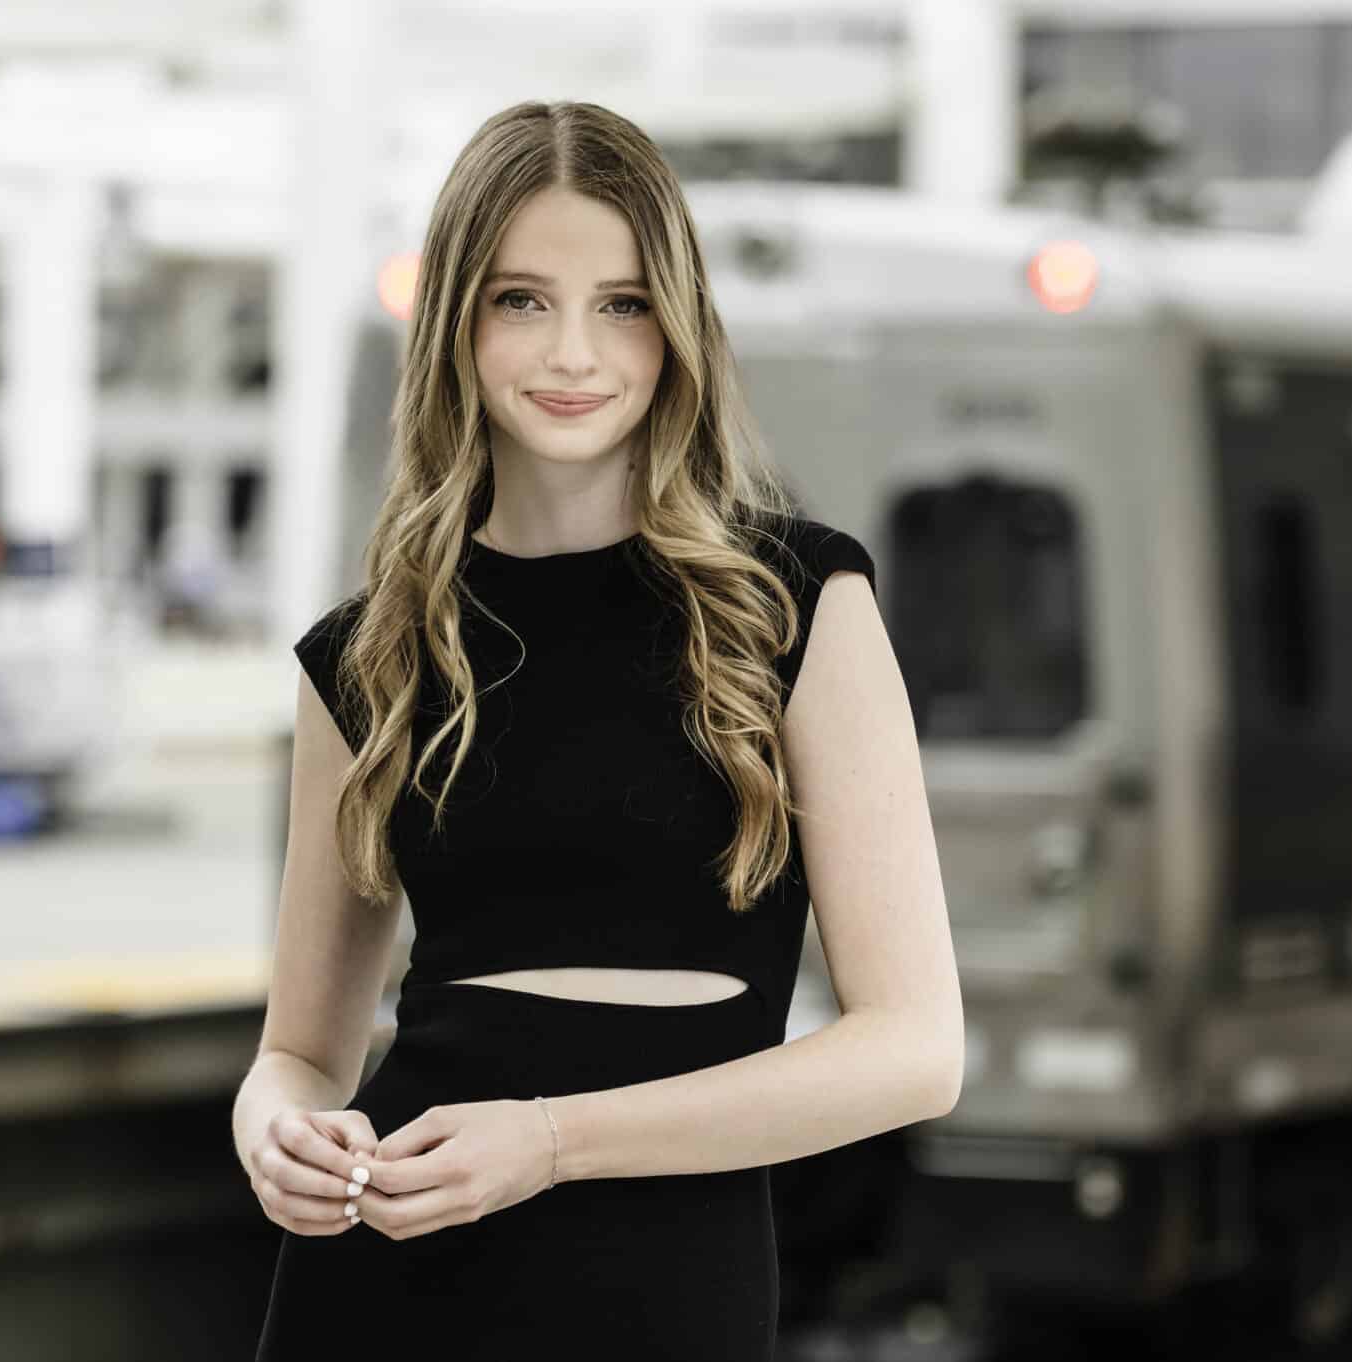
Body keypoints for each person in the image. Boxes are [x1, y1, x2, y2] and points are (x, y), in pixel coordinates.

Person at [234, 100, 963, 1359]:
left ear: (677, 326)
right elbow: (299, 1052)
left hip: (659, 1283)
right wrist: (277, 1130)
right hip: (384, 1279)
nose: (572, 351)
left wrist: (552, 1143)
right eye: (520, 299)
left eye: (621, 303)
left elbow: (914, 1054)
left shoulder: (792, 606)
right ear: (455, 319)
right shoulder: (366, 655)